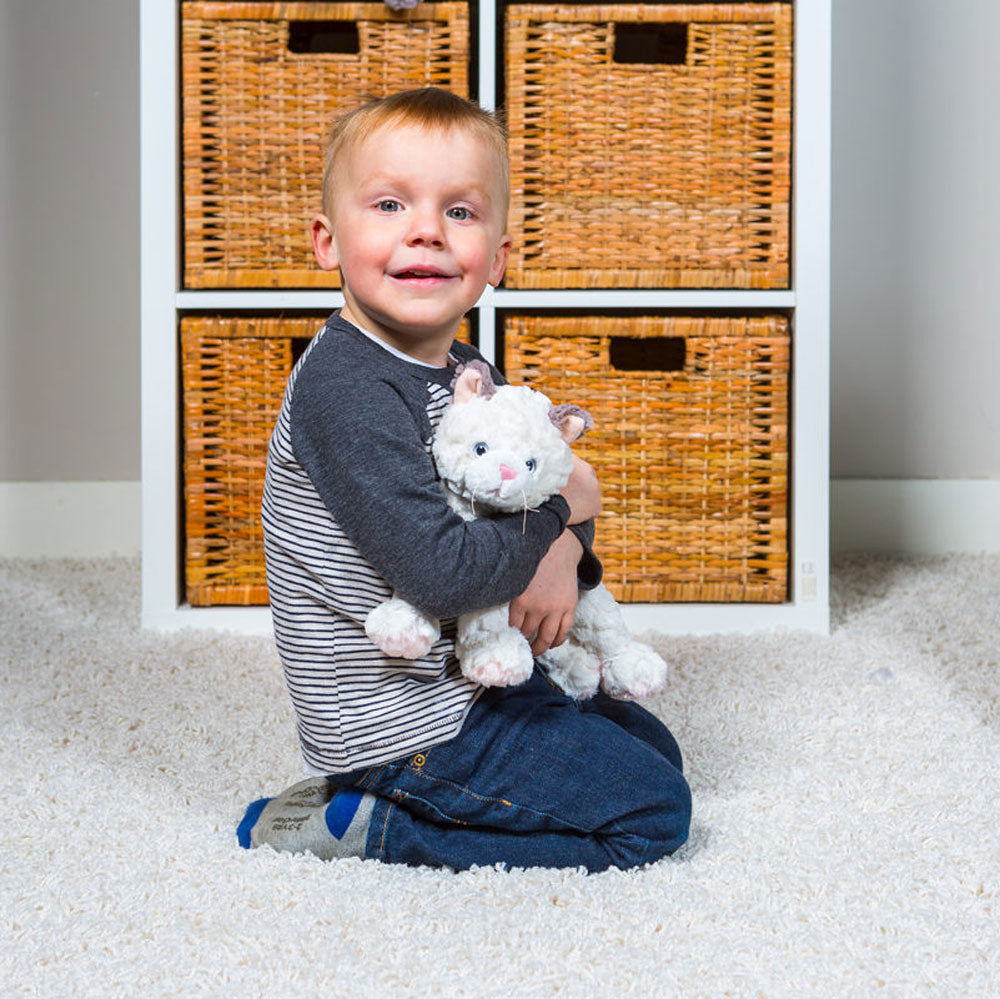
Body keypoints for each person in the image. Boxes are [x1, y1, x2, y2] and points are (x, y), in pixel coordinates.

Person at [238, 87, 691, 872]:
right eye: (388, 203)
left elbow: (542, 475)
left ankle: (446, 782)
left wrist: (560, 539)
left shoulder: (467, 372)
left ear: (499, 256)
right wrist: (560, 523)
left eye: (460, 212)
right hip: (401, 716)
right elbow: (447, 570)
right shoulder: (344, 389)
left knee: (653, 748)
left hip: (480, 667)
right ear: (326, 240)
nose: (425, 230)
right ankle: (370, 822)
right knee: (654, 813)